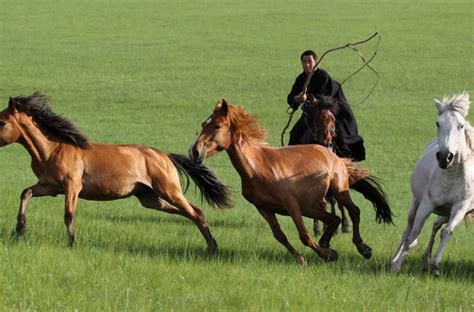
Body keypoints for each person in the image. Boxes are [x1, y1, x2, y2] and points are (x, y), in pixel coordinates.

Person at [286, 50, 366, 161]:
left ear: (316, 62)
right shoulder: (300, 79)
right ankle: (292, 162)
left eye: (310, 61)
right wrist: (297, 99)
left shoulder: (322, 76)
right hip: (310, 115)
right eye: (304, 62)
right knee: (294, 134)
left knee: (339, 136)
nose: (307, 65)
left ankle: (345, 162)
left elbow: (324, 96)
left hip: (326, 112)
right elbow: (291, 96)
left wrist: (307, 98)